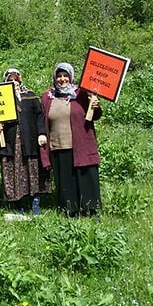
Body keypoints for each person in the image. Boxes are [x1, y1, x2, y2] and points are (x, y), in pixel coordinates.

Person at [39, 62, 102, 218]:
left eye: (65, 76)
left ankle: (91, 210)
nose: (62, 79)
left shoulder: (81, 94)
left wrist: (95, 105)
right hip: (58, 145)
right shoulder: (47, 97)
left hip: (81, 143)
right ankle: (71, 211)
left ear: (71, 77)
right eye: (59, 76)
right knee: (65, 180)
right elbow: (42, 118)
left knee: (86, 177)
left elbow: (95, 115)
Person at [0, 68, 51, 215]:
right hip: (10, 143)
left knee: (32, 170)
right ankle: (18, 204)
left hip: (30, 141)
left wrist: (42, 133)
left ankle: (35, 202)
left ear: (20, 80)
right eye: (9, 80)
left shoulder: (30, 96)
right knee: (13, 171)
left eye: (15, 79)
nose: (13, 82)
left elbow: (39, 116)